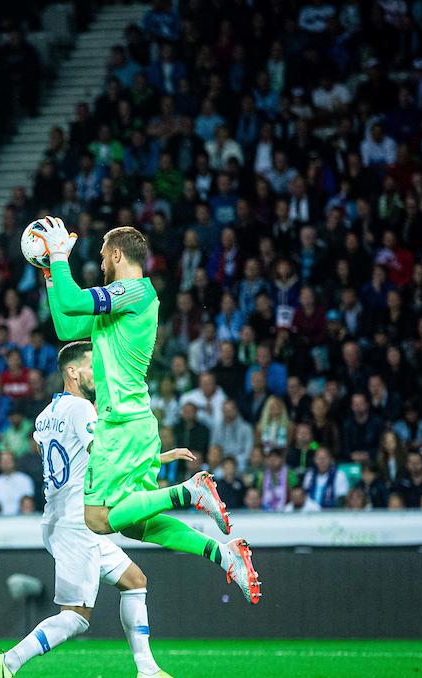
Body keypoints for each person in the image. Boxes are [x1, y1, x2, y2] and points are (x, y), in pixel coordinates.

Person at [37, 219, 261, 602]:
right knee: (136, 526)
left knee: (98, 519)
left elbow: (76, 301)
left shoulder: (137, 292)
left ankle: (189, 491)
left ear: (118, 254)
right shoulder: (116, 307)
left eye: (104, 257)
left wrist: (60, 256)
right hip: (136, 424)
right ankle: (225, 555)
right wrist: (49, 272)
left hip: (120, 424)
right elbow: (64, 323)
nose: (102, 264)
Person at [0, 341, 199, 678]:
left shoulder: (45, 413)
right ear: (72, 372)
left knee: (135, 580)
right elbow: (106, 457)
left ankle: (148, 670)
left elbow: (46, 450)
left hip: (57, 518)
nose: (97, 375)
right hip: (77, 523)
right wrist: (159, 457)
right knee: (76, 617)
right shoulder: (82, 408)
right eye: (91, 367)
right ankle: (10, 662)